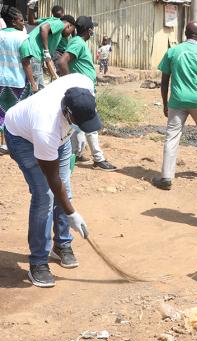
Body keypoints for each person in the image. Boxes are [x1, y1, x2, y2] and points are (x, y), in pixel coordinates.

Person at [3, 73, 100, 287]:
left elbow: (62, 183)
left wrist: (79, 130)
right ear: (67, 113)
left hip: (60, 136)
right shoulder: (45, 127)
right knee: (44, 195)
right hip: (22, 137)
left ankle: (62, 244)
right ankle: (38, 261)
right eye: (79, 122)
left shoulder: (83, 85)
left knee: (66, 188)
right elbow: (53, 178)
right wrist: (72, 213)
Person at [152, 21, 197, 190]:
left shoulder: (173, 51)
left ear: (185, 34)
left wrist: (165, 103)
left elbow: (164, 82)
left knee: (172, 137)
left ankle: (166, 177)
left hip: (177, 101)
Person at [58, 16, 117, 172]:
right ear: (89, 30)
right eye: (93, 29)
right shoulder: (77, 43)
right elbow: (63, 62)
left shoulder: (77, 42)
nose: (93, 32)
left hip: (82, 88)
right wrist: (69, 83)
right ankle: (98, 158)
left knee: (77, 125)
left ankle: (75, 153)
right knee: (90, 123)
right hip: (82, 90)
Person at [0, 6, 30, 155]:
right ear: (13, 21)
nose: (23, 23)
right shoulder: (22, 37)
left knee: (1, 113)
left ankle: (3, 144)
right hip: (18, 82)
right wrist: (34, 82)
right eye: (21, 20)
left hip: (0, 80)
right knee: (17, 113)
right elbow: (26, 62)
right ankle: (13, 144)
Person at [19, 14, 75, 92]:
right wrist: (46, 50)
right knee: (38, 91)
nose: (69, 35)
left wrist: (55, 76)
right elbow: (44, 28)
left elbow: (48, 59)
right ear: (69, 25)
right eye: (71, 31)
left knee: (31, 88)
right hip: (34, 56)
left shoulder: (55, 33)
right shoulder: (60, 24)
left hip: (31, 56)